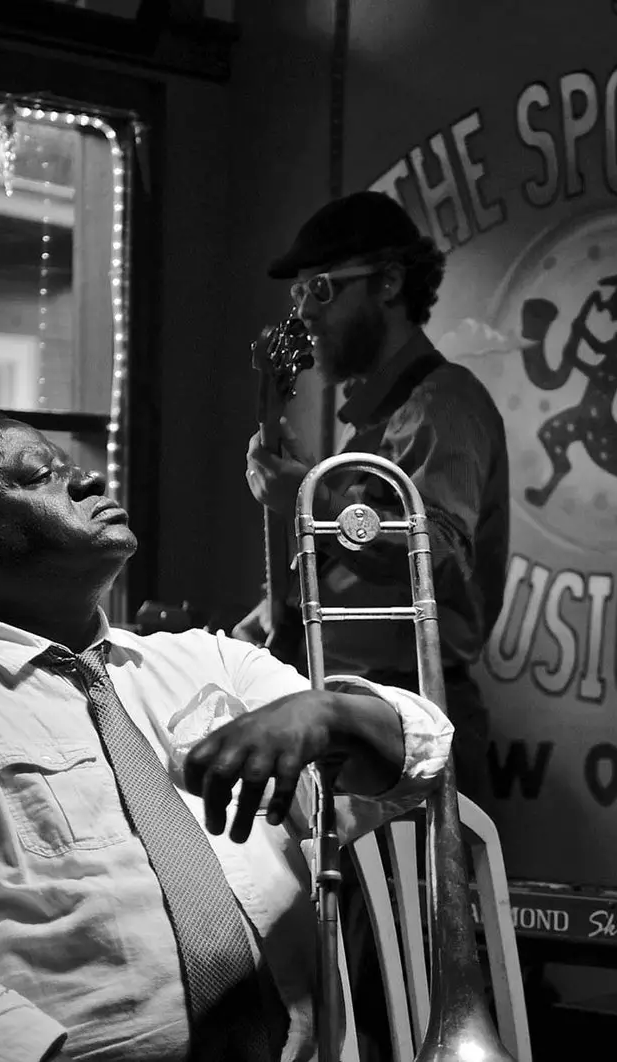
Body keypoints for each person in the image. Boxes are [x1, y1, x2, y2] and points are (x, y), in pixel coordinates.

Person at [0, 410, 455, 1062]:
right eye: (45, 477)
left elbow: (427, 758)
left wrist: (332, 713)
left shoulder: (215, 662)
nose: (88, 479)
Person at [238, 190, 509, 810]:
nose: (305, 311)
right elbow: (356, 572)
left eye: (324, 290)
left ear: (389, 283)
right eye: (299, 293)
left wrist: (310, 499)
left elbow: (435, 556)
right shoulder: (370, 423)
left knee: (412, 906)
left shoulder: (442, 404)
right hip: (357, 709)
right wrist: (267, 614)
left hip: (412, 715)